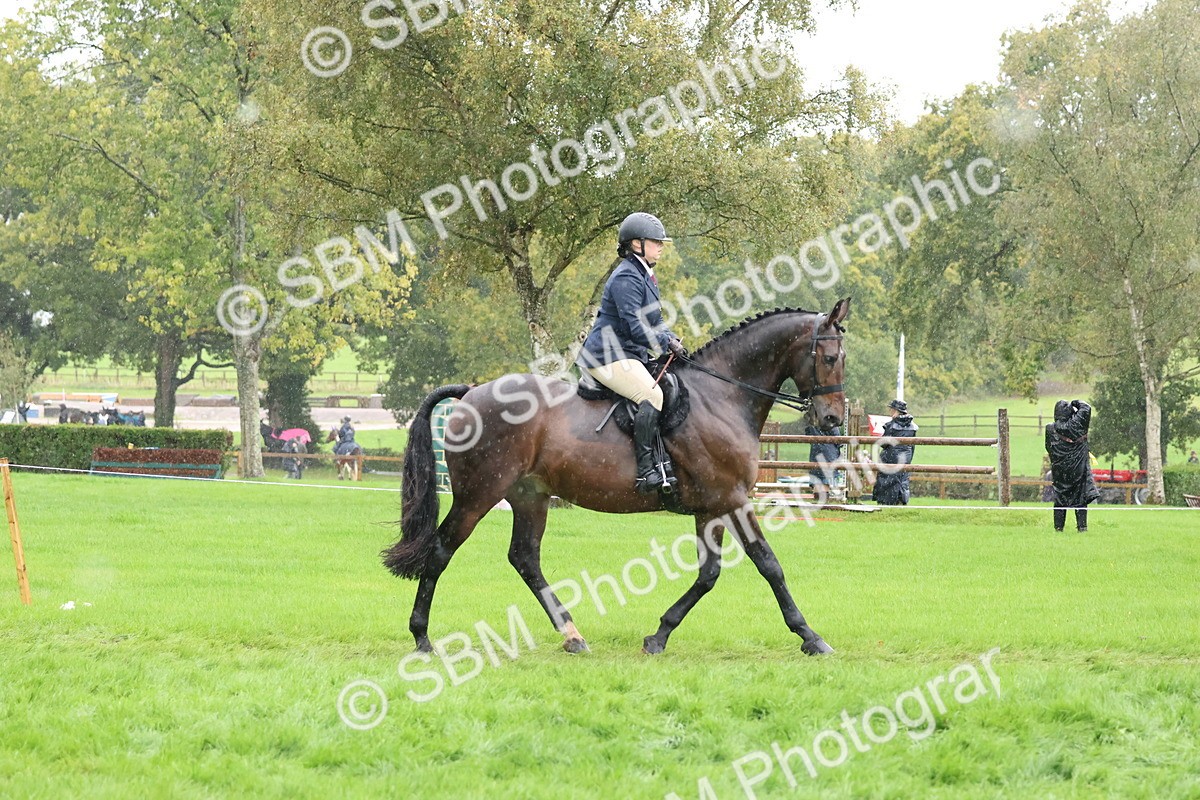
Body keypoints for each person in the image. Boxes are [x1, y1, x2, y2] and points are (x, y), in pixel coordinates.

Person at [579, 212, 686, 493]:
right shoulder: (627, 276)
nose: (661, 246)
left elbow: (655, 320)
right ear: (636, 244)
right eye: (655, 241)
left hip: (628, 353)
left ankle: (663, 461)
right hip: (606, 355)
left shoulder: (646, 275)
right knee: (651, 394)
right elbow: (634, 324)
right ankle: (646, 471)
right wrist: (663, 344)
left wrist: (671, 338)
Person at [1045, 399, 1100, 532]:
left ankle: (1059, 528)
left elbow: (1048, 447)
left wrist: (1059, 457)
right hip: (1078, 467)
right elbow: (1086, 407)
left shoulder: (1050, 428)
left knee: (1060, 497)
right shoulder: (1077, 424)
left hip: (1059, 469)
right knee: (1081, 497)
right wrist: (1076, 403)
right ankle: (1082, 527)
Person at [872, 399, 918, 506]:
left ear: (895, 410)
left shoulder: (891, 426)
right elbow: (912, 445)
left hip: (891, 457)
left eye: (891, 410)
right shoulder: (912, 427)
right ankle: (902, 500)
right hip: (906, 457)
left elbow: (884, 443)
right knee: (902, 480)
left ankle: (886, 502)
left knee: (887, 481)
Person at [806, 423, 842, 499]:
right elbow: (837, 438)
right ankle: (823, 501)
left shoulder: (812, 420)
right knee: (825, 479)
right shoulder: (831, 420)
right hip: (829, 453)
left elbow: (808, 433)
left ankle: (818, 500)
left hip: (815, 452)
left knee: (817, 478)